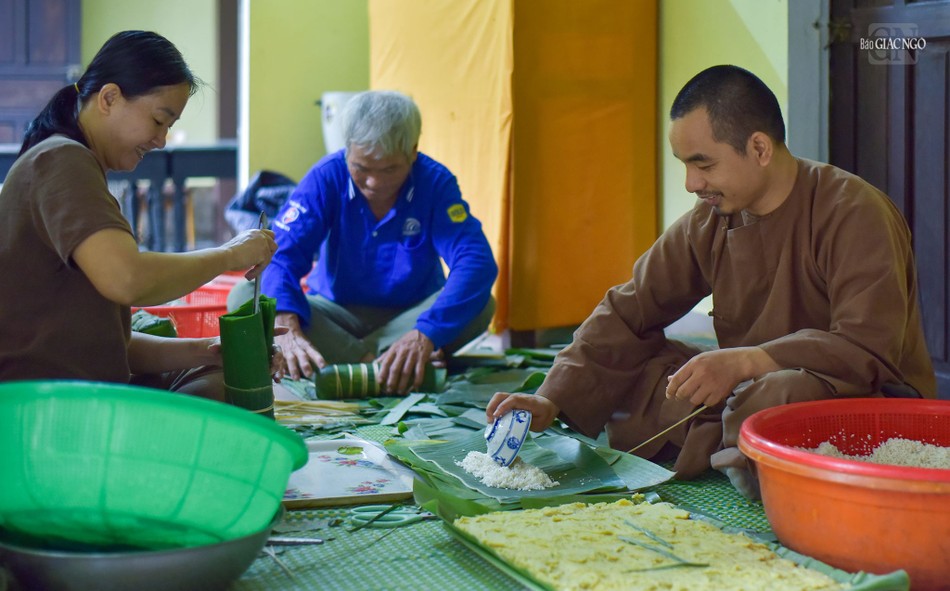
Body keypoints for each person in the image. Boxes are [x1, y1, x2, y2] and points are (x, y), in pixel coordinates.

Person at [487, 65, 936, 499]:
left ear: (759, 148)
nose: (691, 183)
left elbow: (866, 347)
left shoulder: (853, 211)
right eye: (685, 165)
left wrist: (751, 361)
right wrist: (550, 398)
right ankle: (734, 448)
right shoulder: (711, 219)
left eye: (703, 164)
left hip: (858, 393)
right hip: (745, 390)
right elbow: (628, 310)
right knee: (644, 369)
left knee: (781, 393)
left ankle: (727, 445)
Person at [0, 31, 279, 400]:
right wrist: (230, 255)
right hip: (47, 405)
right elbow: (128, 278)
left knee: (225, 371)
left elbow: (113, 347)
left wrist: (210, 349)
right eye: (159, 121)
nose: (161, 140)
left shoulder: (67, 161)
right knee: (226, 391)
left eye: (169, 127)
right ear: (109, 98)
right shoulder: (61, 160)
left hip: (73, 390)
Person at [243, 90, 498, 394]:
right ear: (347, 150)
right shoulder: (326, 177)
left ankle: (367, 362)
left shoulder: (435, 182)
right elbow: (279, 255)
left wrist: (425, 333)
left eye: (390, 169)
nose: (374, 183)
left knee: (482, 304)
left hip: (410, 317)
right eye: (361, 168)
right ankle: (387, 364)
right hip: (333, 316)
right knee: (246, 296)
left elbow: (476, 262)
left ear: (413, 152)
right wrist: (285, 322)